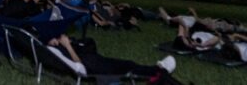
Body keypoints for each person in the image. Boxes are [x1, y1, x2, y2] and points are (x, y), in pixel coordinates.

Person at [46, 34, 178, 82]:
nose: (54, 40)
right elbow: (79, 67)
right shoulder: (54, 51)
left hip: (95, 60)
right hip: (93, 67)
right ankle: (159, 69)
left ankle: (158, 69)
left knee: (128, 64)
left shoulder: (54, 49)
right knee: (129, 66)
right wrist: (67, 46)